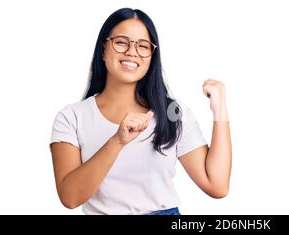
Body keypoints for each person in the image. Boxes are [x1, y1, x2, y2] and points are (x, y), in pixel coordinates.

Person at [49, 8, 232, 215]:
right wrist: (117, 141)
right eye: (121, 42)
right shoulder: (72, 117)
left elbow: (217, 185)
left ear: (152, 57)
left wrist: (220, 110)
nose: (132, 52)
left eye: (143, 46)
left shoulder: (172, 112)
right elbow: (70, 197)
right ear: (103, 50)